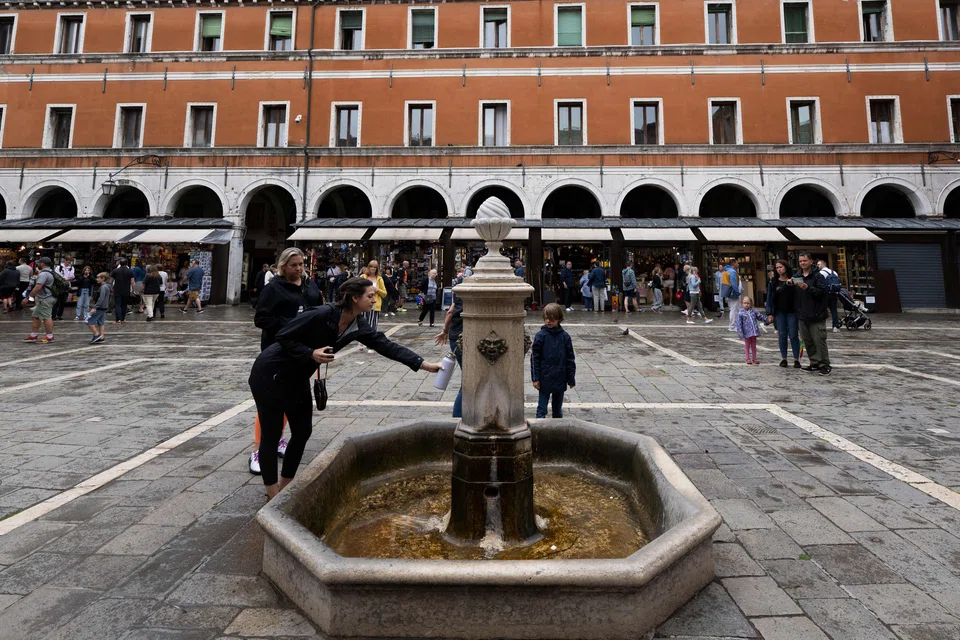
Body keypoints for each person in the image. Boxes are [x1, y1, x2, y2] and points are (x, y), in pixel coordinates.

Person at [249, 276, 443, 499]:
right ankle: (272, 495)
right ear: (354, 298)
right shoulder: (322, 313)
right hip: (270, 374)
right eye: (370, 296)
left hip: (298, 377)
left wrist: (424, 365)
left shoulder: (357, 324)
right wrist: (310, 353)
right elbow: (282, 335)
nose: (374, 300)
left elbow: (386, 346)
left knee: (302, 432)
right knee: (271, 436)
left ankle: (286, 487)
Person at [249, 247, 323, 475]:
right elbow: (261, 318)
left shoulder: (310, 286)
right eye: (294, 265)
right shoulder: (273, 289)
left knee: (294, 397)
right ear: (283, 267)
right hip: (277, 352)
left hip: (303, 353)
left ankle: (280, 439)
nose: (299, 269)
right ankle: (259, 448)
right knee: (271, 401)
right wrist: (289, 327)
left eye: (301, 264)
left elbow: (317, 312)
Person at [531, 304, 576, 419]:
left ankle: (557, 433)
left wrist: (571, 379)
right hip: (544, 378)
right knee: (541, 409)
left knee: (557, 410)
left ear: (559, 319)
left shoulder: (565, 337)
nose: (548, 321)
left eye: (552, 319)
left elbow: (570, 359)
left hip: (560, 378)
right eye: (546, 318)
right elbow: (535, 358)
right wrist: (535, 378)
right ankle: (539, 433)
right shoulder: (540, 336)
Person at [796, 252, 831, 375]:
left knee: (819, 340)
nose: (802, 263)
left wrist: (808, 288)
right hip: (802, 314)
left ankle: (824, 364)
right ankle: (814, 362)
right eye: (800, 261)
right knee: (808, 340)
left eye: (804, 261)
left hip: (816, 314)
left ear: (811, 261)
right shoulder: (797, 275)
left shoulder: (817, 276)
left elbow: (823, 292)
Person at [766, 259, 802, 369]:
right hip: (779, 312)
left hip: (792, 311)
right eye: (777, 268)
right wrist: (770, 313)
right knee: (782, 335)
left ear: (786, 267)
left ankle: (796, 359)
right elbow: (770, 297)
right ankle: (784, 358)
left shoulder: (794, 279)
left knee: (793, 335)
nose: (779, 269)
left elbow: (800, 294)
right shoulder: (774, 281)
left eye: (781, 267)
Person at [435, 293, 465, 417]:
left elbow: (450, 312)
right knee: (469, 380)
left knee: (468, 378)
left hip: (454, 338)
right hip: (463, 339)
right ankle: (457, 416)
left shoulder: (460, 293)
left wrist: (444, 331)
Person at [24, 256, 57, 344]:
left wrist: (28, 297)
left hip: (46, 299)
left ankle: (50, 336)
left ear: (42, 263)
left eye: (39, 263)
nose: (37, 264)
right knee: (36, 316)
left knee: (46, 317)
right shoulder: (51, 272)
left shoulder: (43, 274)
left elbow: (38, 286)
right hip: (46, 298)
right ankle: (34, 335)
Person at [736, 296, 768, 365]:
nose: (746, 305)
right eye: (744, 303)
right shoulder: (741, 313)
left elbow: (760, 316)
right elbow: (739, 324)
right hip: (746, 332)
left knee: (754, 345)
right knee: (747, 345)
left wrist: (767, 319)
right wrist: (740, 333)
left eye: (748, 303)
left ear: (751, 304)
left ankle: (754, 358)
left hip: (754, 332)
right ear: (742, 303)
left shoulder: (753, 311)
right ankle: (747, 358)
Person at [360, 260, 387, 337]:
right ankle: (362, 341)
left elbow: (384, 293)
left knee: (372, 325)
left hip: (374, 305)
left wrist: (377, 289)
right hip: (364, 304)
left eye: (374, 267)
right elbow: (357, 288)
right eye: (371, 267)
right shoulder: (363, 277)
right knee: (363, 323)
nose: (372, 269)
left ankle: (371, 343)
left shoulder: (379, 279)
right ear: (368, 267)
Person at [818, 259, 842, 333]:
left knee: (822, 310)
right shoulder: (834, 272)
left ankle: (822, 327)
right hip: (834, 293)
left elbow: (820, 284)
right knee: (834, 310)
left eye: (818, 264)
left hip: (825, 294)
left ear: (822, 264)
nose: (817, 266)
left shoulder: (821, 273)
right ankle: (835, 326)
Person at [86, 272, 111, 344]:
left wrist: (95, 307)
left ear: (103, 279)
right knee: (101, 322)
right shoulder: (106, 286)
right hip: (104, 307)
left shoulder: (103, 287)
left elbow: (101, 298)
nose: (97, 279)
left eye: (98, 277)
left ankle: (96, 334)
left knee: (88, 321)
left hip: (100, 307)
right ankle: (102, 337)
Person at [111, 258, 134, 324]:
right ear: (127, 264)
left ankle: (118, 319)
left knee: (117, 304)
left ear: (120, 263)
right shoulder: (130, 271)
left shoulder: (115, 271)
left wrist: (111, 288)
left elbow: (111, 281)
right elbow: (132, 282)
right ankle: (123, 318)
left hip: (117, 289)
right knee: (124, 305)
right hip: (126, 290)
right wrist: (133, 290)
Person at [721, 259, 742, 332]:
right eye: (737, 263)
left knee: (733, 309)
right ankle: (733, 326)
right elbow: (734, 284)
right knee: (734, 309)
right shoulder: (732, 272)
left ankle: (734, 325)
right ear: (733, 264)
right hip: (733, 293)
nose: (738, 264)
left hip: (730, 293)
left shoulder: (727, 271)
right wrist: (737, 292)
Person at [52, 255, 75, 321]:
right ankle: (53, 315)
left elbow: (71, 277)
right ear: (65, 260)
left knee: (63, 302)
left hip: (66, 287)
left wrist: (64, 279)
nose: (69, 263)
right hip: (58, 287)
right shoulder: (58, 267)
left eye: (70, 262)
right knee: (56, 302)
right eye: (68, 262)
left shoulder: (71, 268)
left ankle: (59, 315)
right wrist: (65, 279)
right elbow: (57, 276)